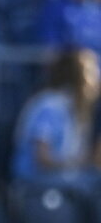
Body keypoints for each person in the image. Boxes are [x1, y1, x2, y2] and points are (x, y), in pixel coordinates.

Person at [11, 47, 101, 194]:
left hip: (63, 178)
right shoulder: (50, 106)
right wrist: (84, 162)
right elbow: (42, 159)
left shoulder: (77, 110)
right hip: (34, 182)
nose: (96, 82)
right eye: (91, 74)